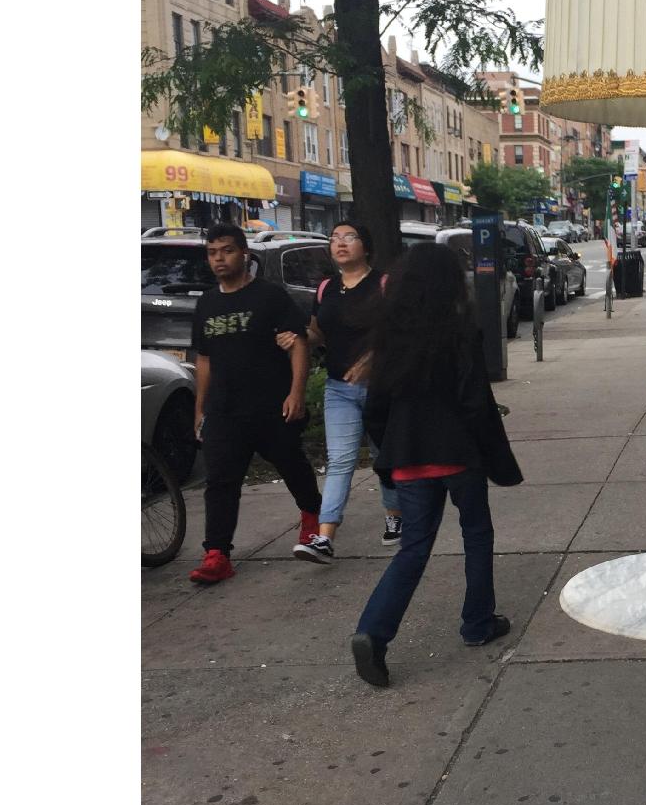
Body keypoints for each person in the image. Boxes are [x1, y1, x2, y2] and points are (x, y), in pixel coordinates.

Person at [350, 243, 523, 688]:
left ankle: (373, 631)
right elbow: (474, 402)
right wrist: (495, 457)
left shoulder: (390, 334)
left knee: (413, 549)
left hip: (409, 456)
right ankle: (477, 623)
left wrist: (386, 451)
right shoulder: (460, 330)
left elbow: (377, 406)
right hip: (457, 453)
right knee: (477, 534)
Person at [187, 223, 322, 585]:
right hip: (224, 411)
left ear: (244, 253)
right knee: (220, 482)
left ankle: (312, 517)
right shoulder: (207, 303)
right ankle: (217, 553)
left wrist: (296, 393)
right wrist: (200, 408)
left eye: (227, 250)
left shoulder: (270, 296)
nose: (219, 258)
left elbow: (297, 344)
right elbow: (204, 360)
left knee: (292, 464)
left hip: (270, 406)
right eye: (213, 252)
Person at [290, 222, 402, 564]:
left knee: (385, 458)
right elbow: (317, 333)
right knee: (339, 462)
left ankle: (395, 517)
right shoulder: (325, 289)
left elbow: (398, 333)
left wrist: (371, 360)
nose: (340, 243)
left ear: (365, 246)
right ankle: (324, 538)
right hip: (339, 389)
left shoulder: (383, 284)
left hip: (381, 388)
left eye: (349, 237)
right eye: (334, 238)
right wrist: (298, 339)